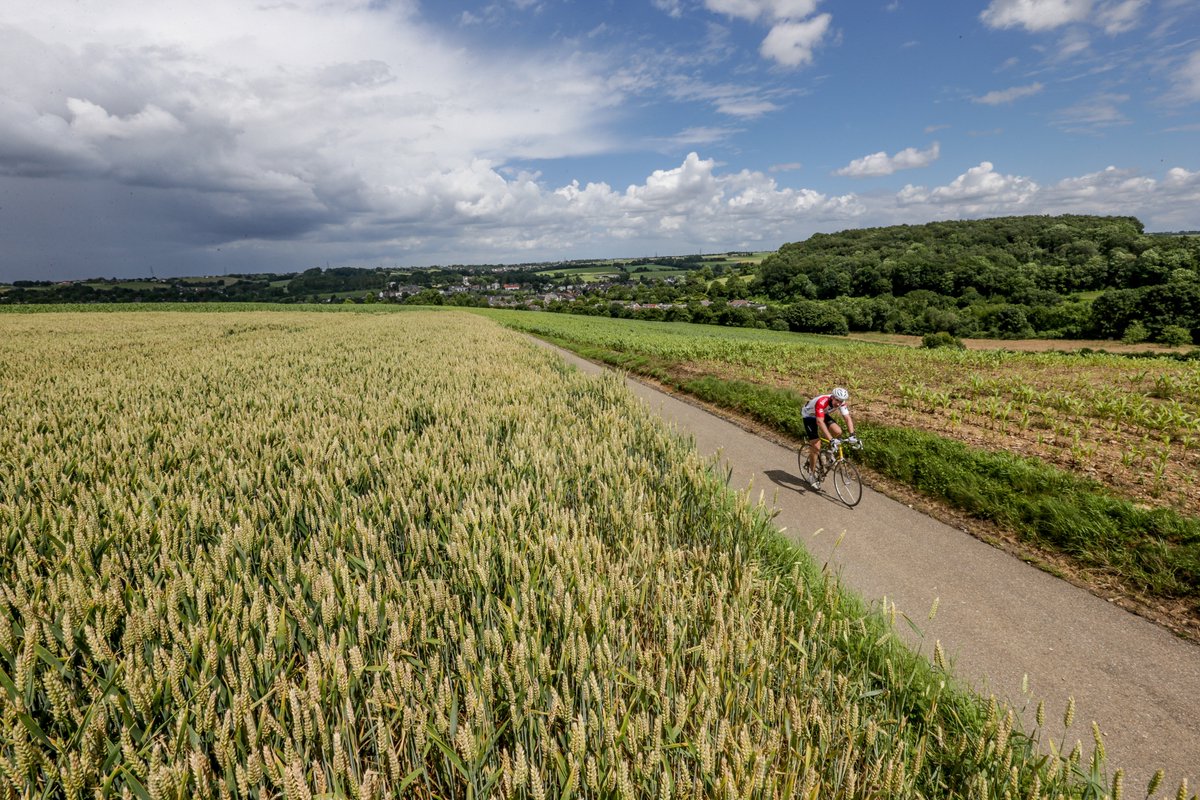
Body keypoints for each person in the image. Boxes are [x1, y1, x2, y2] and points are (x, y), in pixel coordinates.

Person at [802, 387, 856, 488]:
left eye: (841, 401)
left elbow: (847, 418)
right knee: (816, 447)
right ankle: (811, 475)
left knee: (838, 431)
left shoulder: (841, 403)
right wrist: (831, 439)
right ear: (832, 398)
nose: (838, 404)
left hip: (822, 414)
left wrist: (852, 435)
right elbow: (819, 422)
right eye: (837, 400)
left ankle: (827, 453)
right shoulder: (822, 402)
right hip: (809, 416)